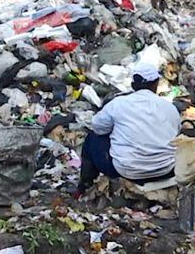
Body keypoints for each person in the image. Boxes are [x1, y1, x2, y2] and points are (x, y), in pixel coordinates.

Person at [76, 61, 180, 196]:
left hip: (128, 171)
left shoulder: (118, 104)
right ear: (156, 84)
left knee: (92, 138)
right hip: (165, 170)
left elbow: (98, 127)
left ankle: (84, 187)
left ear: (133, 85)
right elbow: (176, 133)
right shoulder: (170, 108)